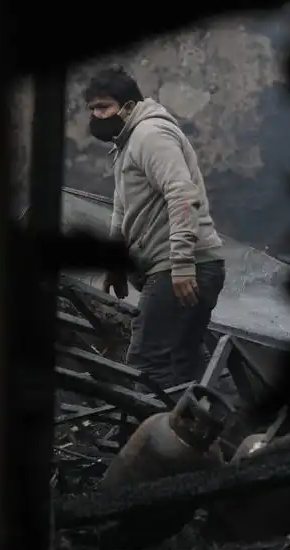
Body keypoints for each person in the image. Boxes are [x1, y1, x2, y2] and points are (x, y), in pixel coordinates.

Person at [85, 66, 226, 391]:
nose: (96, 115)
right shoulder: (128, 143)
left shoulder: (150, 136)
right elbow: (123, 209)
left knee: (149, 363)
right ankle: (195, 438)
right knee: (181, 365)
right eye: (92, 109)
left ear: (129, 106)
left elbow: (181, 194)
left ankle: (154, 438)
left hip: (179, 268)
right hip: (179, 267)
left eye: (103, 107)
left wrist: (181, 263)